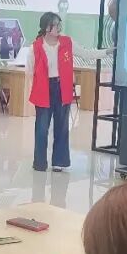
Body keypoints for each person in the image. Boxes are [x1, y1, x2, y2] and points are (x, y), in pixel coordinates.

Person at [27, 12, 113, 172]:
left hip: (62, 88)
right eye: (56, 25)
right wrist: (37, 87)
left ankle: (59, 162)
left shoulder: (67, 42)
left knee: (61, 126)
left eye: (60, 24)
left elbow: (87, 53)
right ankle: (39, 163)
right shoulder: (35, 47)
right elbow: (30, 71)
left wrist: (106, 52)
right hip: (43, 89)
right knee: (41, 128)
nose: (59, 27)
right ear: (47, 28)